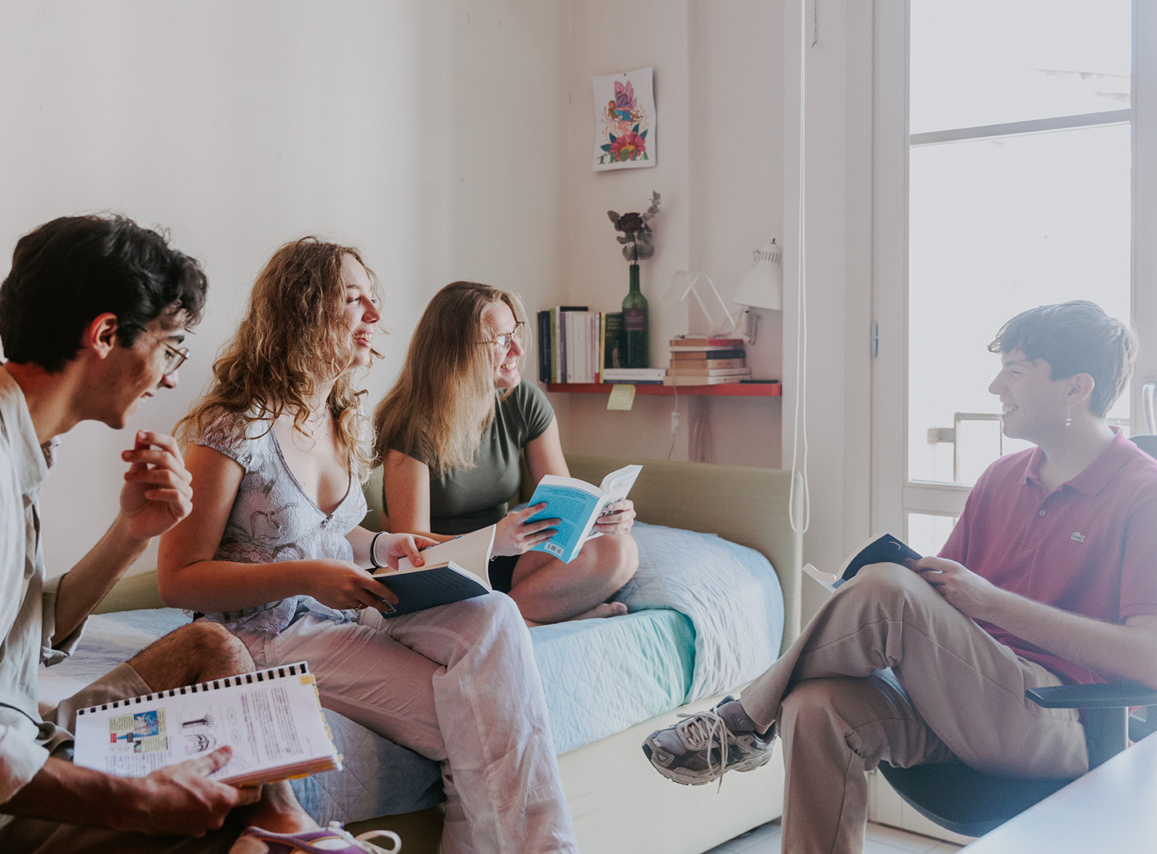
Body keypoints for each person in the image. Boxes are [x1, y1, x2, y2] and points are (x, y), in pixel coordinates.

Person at [0, 214, 396, 854]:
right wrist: (135, 800)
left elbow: (23, 635)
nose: (172, 376)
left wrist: (131, 533)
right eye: (169, 346)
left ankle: (288, 827)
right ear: (104, 335)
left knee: (212, 647)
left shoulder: (3, 442)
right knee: (211, 809)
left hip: (20, 725)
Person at [641, 300, 1157, 853]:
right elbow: (942, 609)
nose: (995, 387)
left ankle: (743, 719)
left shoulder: (1142, 492)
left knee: (889, 591)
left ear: (1077, 387)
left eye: (1015, 371)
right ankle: (756, 722)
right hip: (966, 700)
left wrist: (991, 604)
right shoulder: (1002, 477)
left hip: (1062, 719)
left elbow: (1148, 658)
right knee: (815, 707)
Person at [156, 239, 577, 854]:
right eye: (355, 300)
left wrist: (383, 543)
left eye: (372, 299)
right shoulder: (233, 427)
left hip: (345, 608)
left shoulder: (336, 417)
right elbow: (178, 577)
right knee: (484, 717)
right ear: (304, 311)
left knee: (493, 613)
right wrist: (308, 577)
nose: (375, 316)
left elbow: (330, 532)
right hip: (266, 634)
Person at [375, 282, 638, 625]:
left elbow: (565, 506)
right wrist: (492, 540)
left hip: (505, 557)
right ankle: (525, 621)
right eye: (501, 340)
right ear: (458, 352)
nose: (517, 349)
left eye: (515, 334)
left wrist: (602, 519)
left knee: (619, 550)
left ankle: (511, 620)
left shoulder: (524, 401)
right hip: (443, 569)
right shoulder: (412, 424)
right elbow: (411, 550)